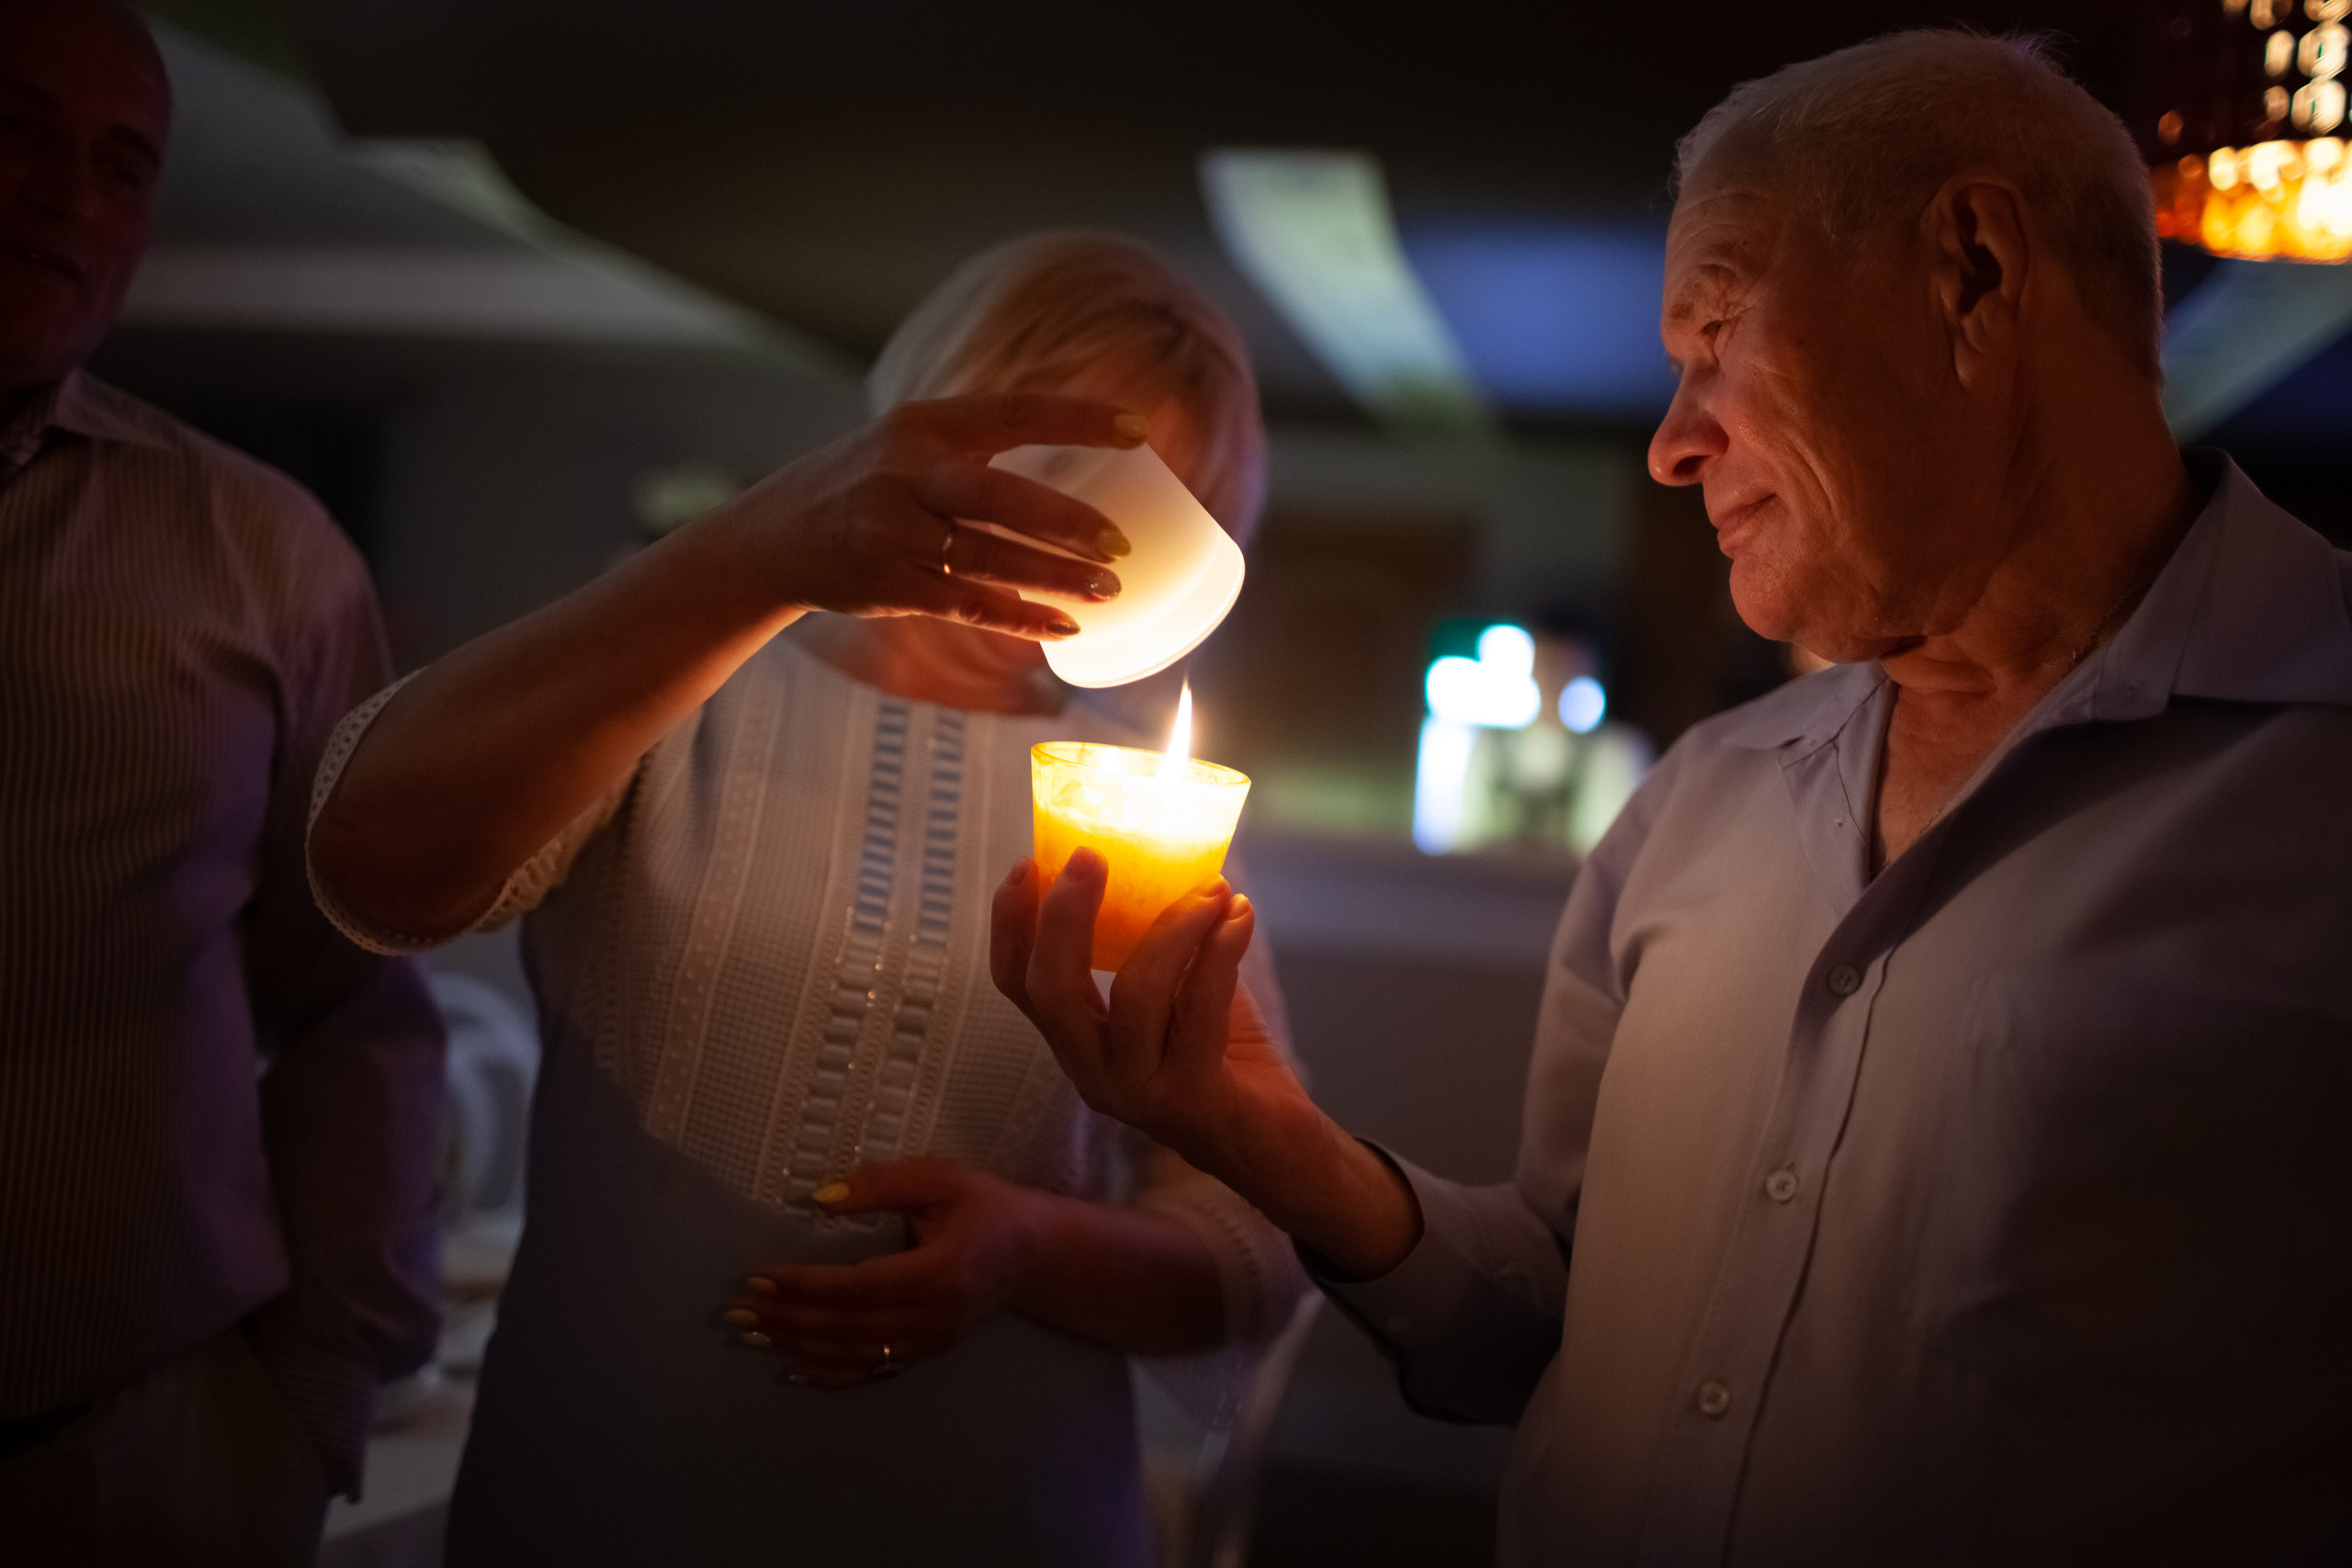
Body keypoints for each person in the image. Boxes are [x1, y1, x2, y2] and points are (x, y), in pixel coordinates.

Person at [993, 31, 2352, 1566]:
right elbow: (1560, 1314)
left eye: (1716, 330)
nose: (1670, 440)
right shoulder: (1698, 804)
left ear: (1971, 271)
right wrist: (1256, 1130)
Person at [306, 232, 1306, 1566]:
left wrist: (1031, 1248)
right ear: (940, 421)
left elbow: (1256, 1239)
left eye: (1161, 526)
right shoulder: (685, 674)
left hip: (1000, 1514)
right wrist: (754, 556)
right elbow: (373, 863)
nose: (1082, 553)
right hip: (609, 1502)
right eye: (1067, 482)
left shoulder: (1145, 804)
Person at [0, 3, 446, 1562]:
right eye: (19, 131)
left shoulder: (263, 558)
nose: (67, 193)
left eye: (122, 164)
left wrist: (316, 1391)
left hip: (125, 1453)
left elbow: (358, 1011)